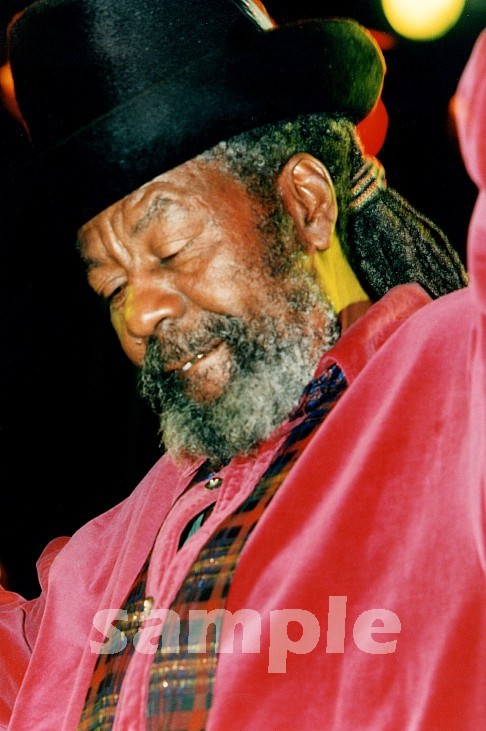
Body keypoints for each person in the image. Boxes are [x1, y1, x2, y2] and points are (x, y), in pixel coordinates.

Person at [0, 0, 478, 729]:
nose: (140, 314)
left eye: (171, 249)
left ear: (305, 203)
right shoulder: (102, 562)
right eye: (113, 287)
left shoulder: (457, 390)